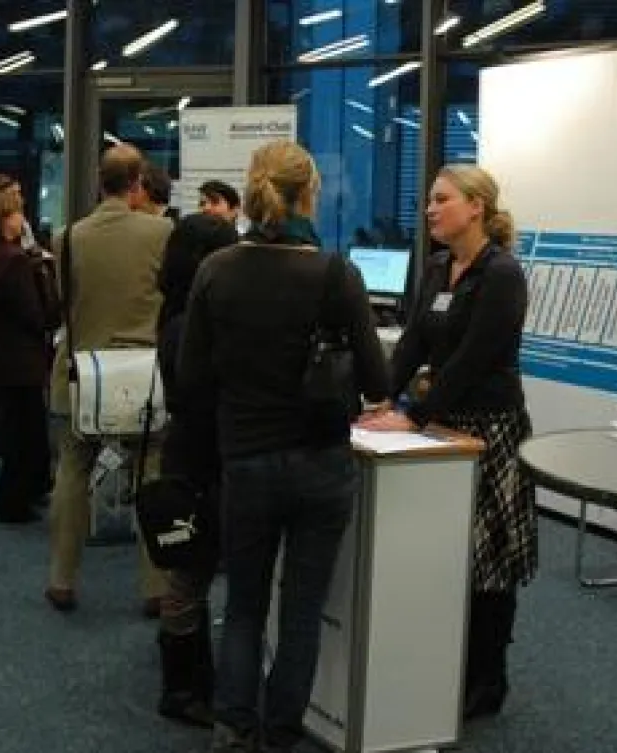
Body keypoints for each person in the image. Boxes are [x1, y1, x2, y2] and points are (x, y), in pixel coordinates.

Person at [178, 141, 389, 753]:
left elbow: (191, 381)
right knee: (300, 612)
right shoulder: (335, 273)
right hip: (323, 463)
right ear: (308, 195)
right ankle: (281, 736)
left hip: (245, 458)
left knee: (243, 606)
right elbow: (377, 382)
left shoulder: (216, 270)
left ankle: (232, 729)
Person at [358, 164, 536, 719]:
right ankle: (449, 662)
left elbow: (473, 359)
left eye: (441, 199)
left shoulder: (502, 273)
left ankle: (487, 678)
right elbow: (414, 344)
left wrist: (413, 415)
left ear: (476, 206)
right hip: (440, 422)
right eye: (429, 201)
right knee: (448, 548)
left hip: (489, 427)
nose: (430, 209)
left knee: (489, 557)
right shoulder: (437, 267)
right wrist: (380, 398)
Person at [45, 144, 171, 615]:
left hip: (83, 374)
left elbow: (63, 302)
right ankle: (156, 587)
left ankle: (61, 578)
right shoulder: (163, 232)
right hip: (144, 376)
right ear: (138, 184)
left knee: (73, 471)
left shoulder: (67, 237)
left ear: (100, 184)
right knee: (152, 473)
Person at [154, 213, 239, 728]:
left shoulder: (179, 312)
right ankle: (181, 688)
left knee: (192, 570)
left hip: (192, 454)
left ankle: (190, 678)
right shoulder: (191, 323)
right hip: (199, 460)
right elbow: (201, 395)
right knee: (189, 574)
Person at [0, 189, 61, 524]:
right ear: (5, 219)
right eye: (18, 213)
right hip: (22, 355)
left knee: (20, 427)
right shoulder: (15, 260)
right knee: (24, 431)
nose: (23, 218)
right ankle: (12, 503)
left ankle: (29, 491)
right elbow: (37, 315)